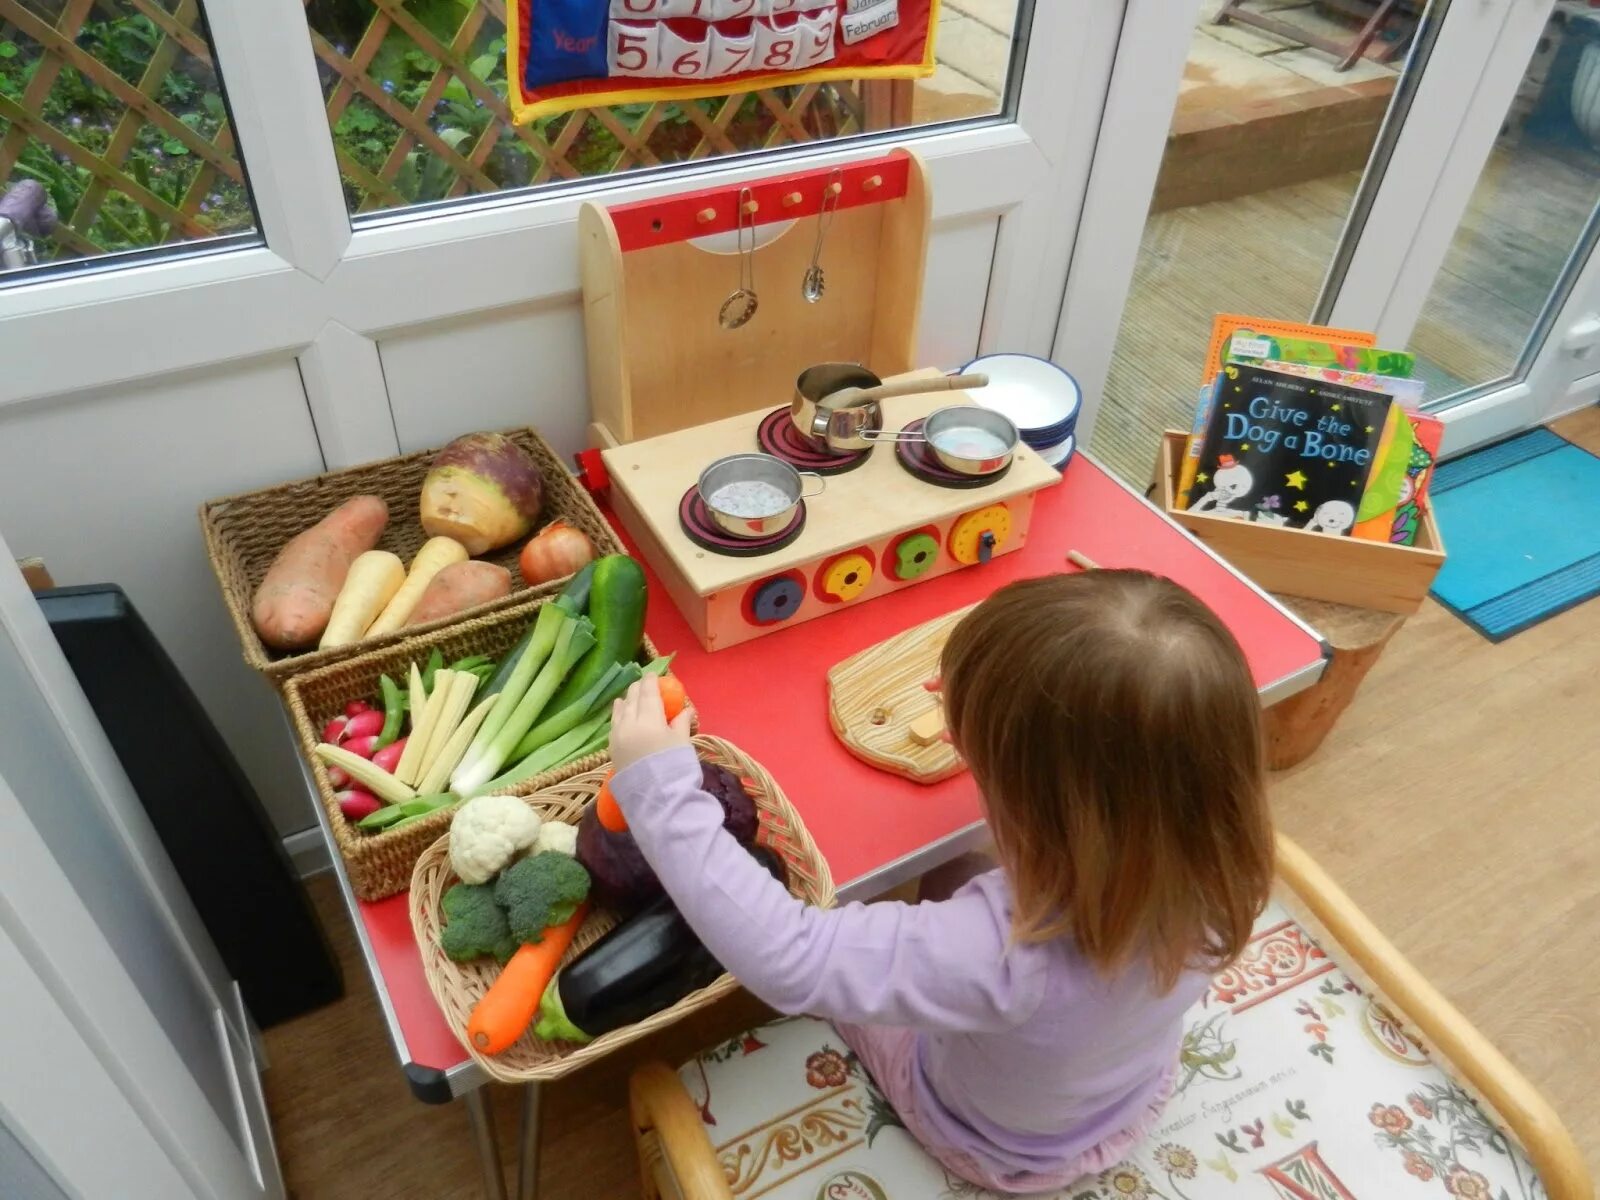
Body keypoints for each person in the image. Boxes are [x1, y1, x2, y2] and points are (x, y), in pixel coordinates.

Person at [608, 570, 1274, 1194]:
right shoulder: (1222, 864)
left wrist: (660, 791)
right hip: (1123, 1091)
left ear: (1032, 799)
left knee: (846, 934)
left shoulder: (998, 953)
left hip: (995, 1142)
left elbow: (790, 959)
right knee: (949, 877)